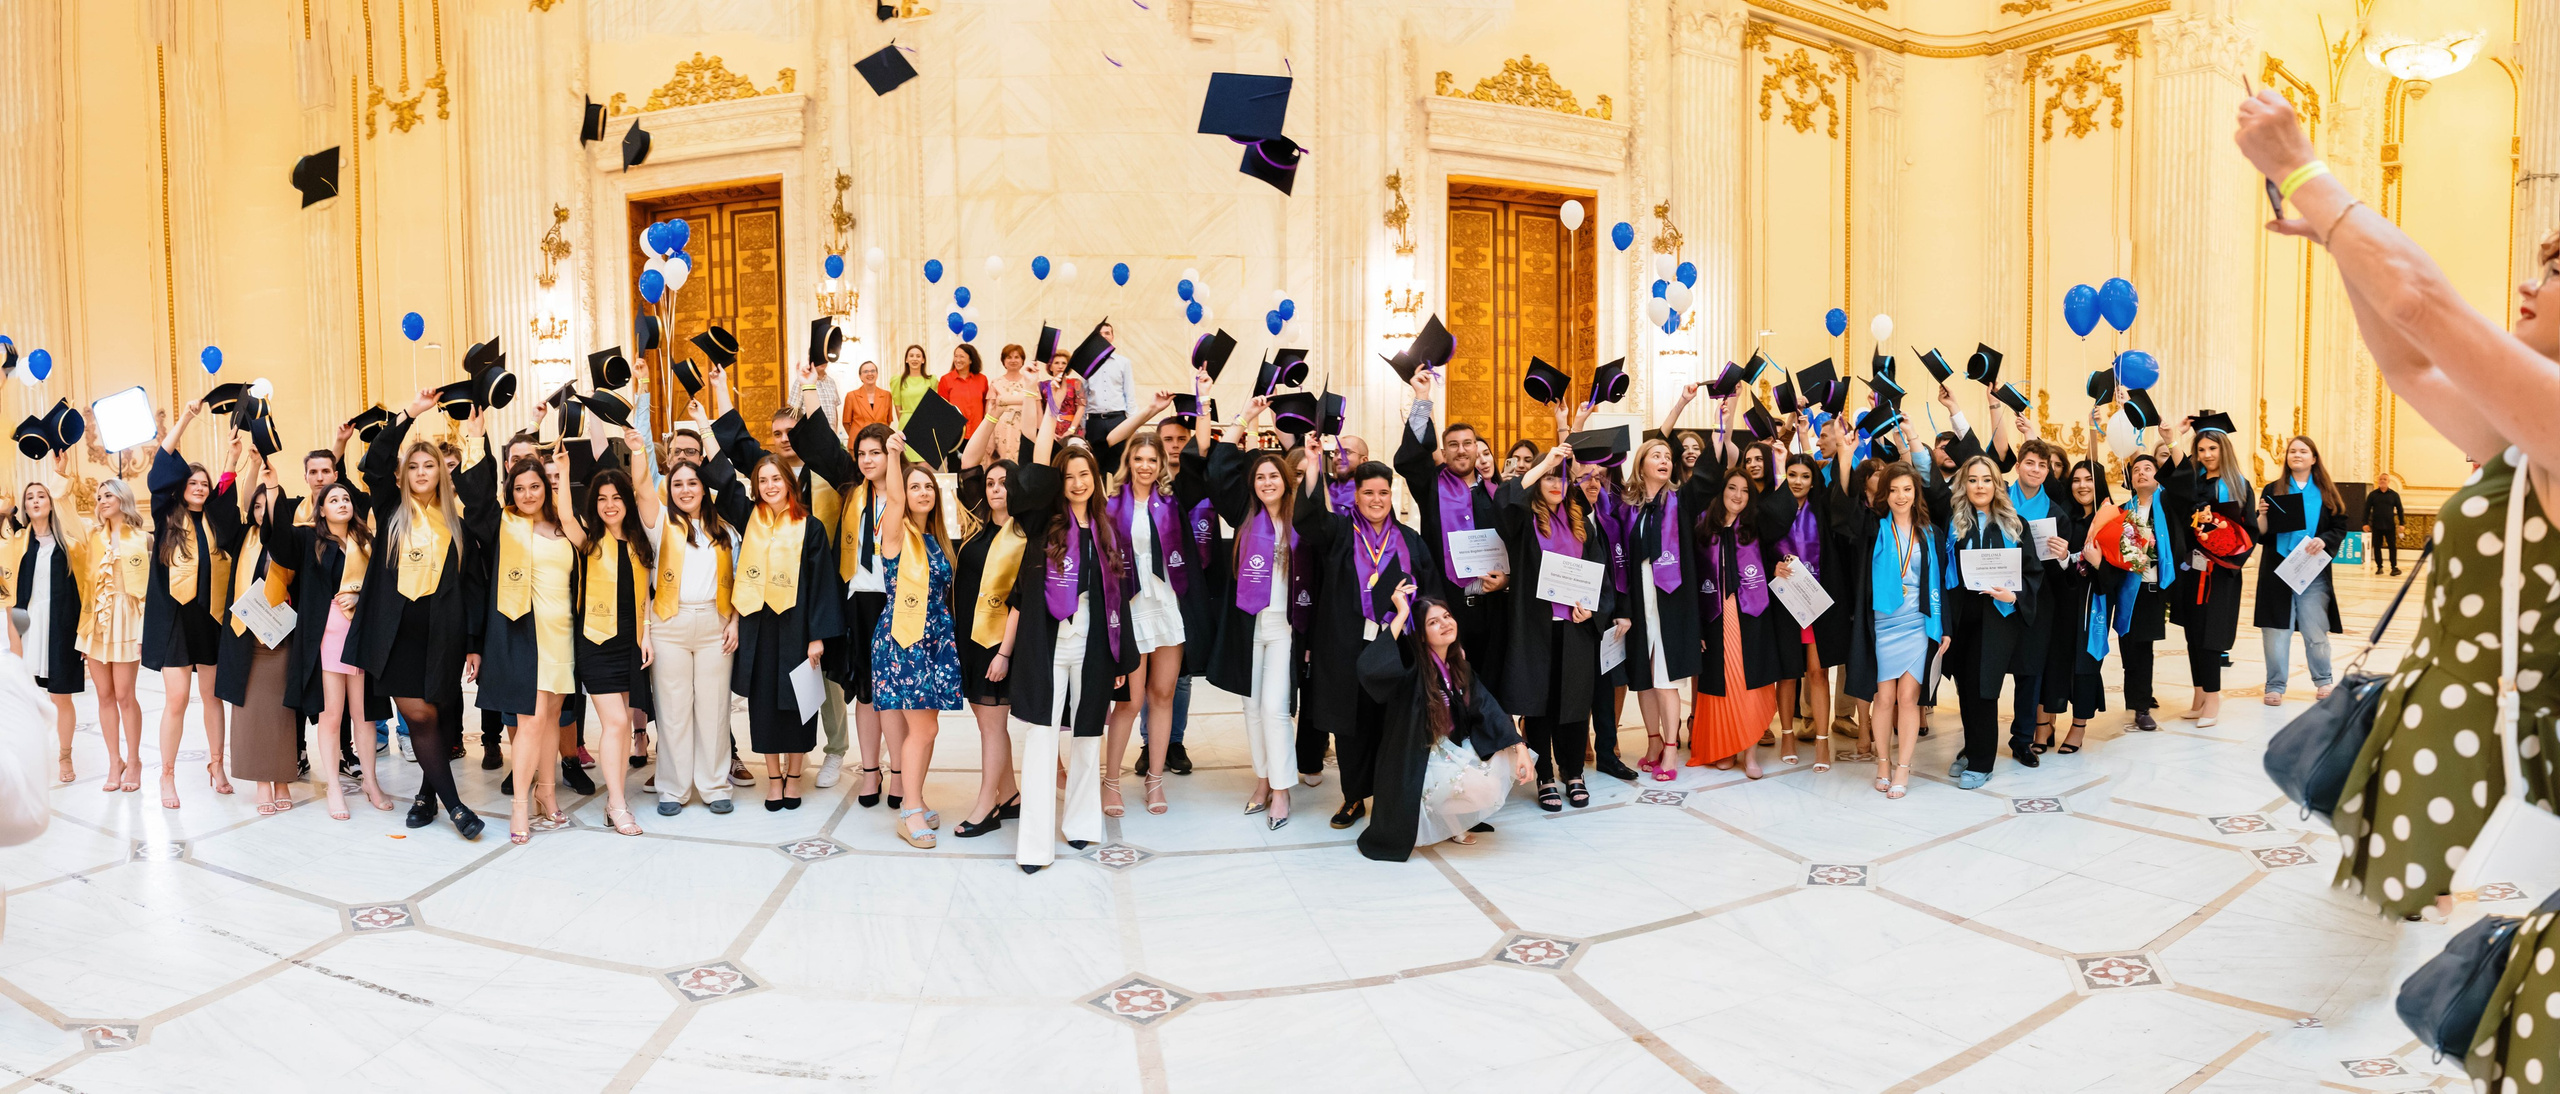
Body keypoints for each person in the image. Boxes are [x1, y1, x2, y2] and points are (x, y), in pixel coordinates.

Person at [2239, 90, 2560, 1084]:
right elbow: (2410, 362)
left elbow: (2425, 302)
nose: (2527, 282)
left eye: (2555, 271)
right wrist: (2339, 250)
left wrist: (2308, 175)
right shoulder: (2529, 437)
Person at [347, 392, 492, 840]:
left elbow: (473, 588)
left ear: (441, 474)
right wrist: (410, 414)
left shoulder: (457, 525)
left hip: (442, 636)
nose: (422, 472)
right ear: (404, 474)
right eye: (414, 466)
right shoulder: (391, 509)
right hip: (395, 638)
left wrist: (473, 643)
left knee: (442, 716)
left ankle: (427, 797)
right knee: (421, 718)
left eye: (430, 466)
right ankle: (457, 808)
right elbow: (374, 463)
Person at [1003, 397, 1136, 873]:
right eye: (1069, 476)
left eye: (1085, 474)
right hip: (1047, 644)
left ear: (1096, 478)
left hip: (1093, 645)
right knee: (1041, 738)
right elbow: (1036, 470)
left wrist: (1120, 659)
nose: (1078, 483)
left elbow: (1119, 597)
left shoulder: (1107, 527)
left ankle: (1081, 823)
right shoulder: (1043, 520)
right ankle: (1034, 845)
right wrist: (1047, 414)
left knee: (1087, 735)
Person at [1294, 427, 1437, 830]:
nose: (1376, 500)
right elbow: (1308, 519)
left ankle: (1392, 797)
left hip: (1398, 646)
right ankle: (1354, 797)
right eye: (1368, 492)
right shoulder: (1338, 532)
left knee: (1393, 723)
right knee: (1352, 725)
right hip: (1348, 645)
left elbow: (1430, 591)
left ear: (1392, 495)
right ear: (1355, 495)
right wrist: (1313, 463)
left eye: (1383, 493)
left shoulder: (1409, 540)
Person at [780, 387, 899, 805]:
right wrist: (810, 387)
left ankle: (900, 773)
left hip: (897, 600)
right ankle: (869, 772)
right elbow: (828, 448)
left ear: (891, 454)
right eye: (862, 453)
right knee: (864, 688)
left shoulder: (908, 491)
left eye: (876, 453)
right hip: (858, 599)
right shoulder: (853, 487)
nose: (867, 460)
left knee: (894, 691)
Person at [1356, 589, 1530, 862]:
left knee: (1493, 772)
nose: (1445, 623)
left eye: (1447, 616)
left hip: (1449, 748)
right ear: (1421, 635)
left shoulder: (1458, 665)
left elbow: (1486, 707)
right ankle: (1447, 819)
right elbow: (1370, 668)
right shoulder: (1411, 664)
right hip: (1417, 758)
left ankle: (1451, 821)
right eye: (1433, 622)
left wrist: (1518, 746)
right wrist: (1402, 613)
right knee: (1470, 785)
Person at [473, 435, 581, 844]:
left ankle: (547, 794)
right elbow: (477, 499)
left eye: (535, 486)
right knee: (531, 721)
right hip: (525, 636)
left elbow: (584, 550)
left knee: (552, 717)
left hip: (562, 634)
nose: (528, 494)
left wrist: (564, 474)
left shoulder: (564, 526)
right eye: (519, 488)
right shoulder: (506, 525)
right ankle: (520, 804)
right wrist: (475, 439)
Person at [1611, 383, 1719, 778]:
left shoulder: (1681, 500)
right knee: (1644, 677)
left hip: (1672, 601)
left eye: (1668, 457)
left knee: (1666, 677)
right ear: (1641, 465)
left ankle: (1671, 749)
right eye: (1655, 456)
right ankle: (1653, 740)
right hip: (1639, 600)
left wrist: (1700, 412)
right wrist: (1678, 404)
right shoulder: (1628, 507)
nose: (1664, 460)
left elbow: (1707, 473)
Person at [1205, 401, 1305, 827]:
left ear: (1286, 481)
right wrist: (1242, 418)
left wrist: (1292, 436)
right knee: (1251, 708)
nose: (1267, 482)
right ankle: (1263, 780)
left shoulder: (1302, 518)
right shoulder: (1244, 514)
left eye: (1274, 476)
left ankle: (1281, 790)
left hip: (1284, 628)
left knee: (1275, 709)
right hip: (1248, 626)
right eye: (1260, 477)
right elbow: (1217, 470)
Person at [1497, 439, 1610, 809]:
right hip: (1537, 628)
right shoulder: (1524, 522)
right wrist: (1545, 463)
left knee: (1574, 705)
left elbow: (1600, 576)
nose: (1556, 484)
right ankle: (1545, 776)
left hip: (1574, 628)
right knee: (1539, 706)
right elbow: (1505, 500)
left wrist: (1592, 610)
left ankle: (1573, 772)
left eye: (1561, 478)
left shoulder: (1581, 525)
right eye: (1549, 477)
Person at [1394, 372, 1509, 706]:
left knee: (1492, 686)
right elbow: (1410, 459)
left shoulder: (1498, 495)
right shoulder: (1431, 485)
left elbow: (1517, 547)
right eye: (1454, 445)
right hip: (1448, 603)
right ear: (1443, 452)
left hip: (1492, 605)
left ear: (1477, 449)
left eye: (1468, 444)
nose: (1461, 450)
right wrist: (1422, 399)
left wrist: (1507, 580)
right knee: (1451, 687)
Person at [144, 400, 237, 808]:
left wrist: (232, 458)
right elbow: (161, 464)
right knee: (177, 699)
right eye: (192, 482)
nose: (199, 487)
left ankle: (216, 765)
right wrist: (185, 419)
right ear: (181, 487)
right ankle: (166, 775)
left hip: (210, 619)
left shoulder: (215, 520)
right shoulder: (166, 515)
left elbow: (230, 497)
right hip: (174, 621)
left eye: (204, 483)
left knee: (214, 697)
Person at [568, 437, 662, 837]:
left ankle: (615, 797)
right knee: (617, 721)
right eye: (602, 498)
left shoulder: (640, 541)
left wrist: (647, 635)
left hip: (630, 642)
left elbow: (646, 597)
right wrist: (563, 473)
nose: (609, 505)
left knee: (621, 726)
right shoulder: (588, 540)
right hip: (596, 642)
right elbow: (565, 517)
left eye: (616, 497)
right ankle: (617, 804)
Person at [1839, 458, 1948, 800]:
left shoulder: (1931, 533)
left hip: (1918, 622)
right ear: (1884, 494)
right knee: (1883, 698)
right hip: (1883, 624)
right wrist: (1844, 456)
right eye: (1894, 490)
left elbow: (1943, 584)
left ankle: (1904, 767)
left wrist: (1945, 627)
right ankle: (1883, 763)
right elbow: (1845, 511)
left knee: (1908, 699)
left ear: (1916, 493)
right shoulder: (1873, 529)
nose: (1901, 496)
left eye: (1907, 489)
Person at [871, 451, 963, 849]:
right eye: (914, 487)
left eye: (929, 486)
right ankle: (909, 810)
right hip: (904, 639)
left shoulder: (937, 539)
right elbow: (892, 498)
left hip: (935, 639)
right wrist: (894, 456)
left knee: (927, 729)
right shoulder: (895, 532)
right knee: (924, 729)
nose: (923, 492)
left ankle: (916, 799)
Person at [648, 453, 745, 816]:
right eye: (677, 484)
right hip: (669, 622)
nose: (685, 490)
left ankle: (715, 785)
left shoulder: (726, 532)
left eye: (692, 483)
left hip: (714, 623)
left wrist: (734, 622)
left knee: (714, 708)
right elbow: (641, 485)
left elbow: (740, 581)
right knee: (672, 709)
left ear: (705, 489)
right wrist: (638, 443)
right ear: (668, 490)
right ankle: (673, 788)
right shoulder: (659, 524)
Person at [1940, 455, 2042, 789]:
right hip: (1962, 615)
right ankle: (1972, 749)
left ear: (1997, 484)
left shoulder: (2015, 524)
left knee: (1985, 689)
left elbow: (2033, 572)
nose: (1980, 486)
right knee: (1966, 688)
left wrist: (2014, 596)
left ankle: (1983, 763)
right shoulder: (1955, 522)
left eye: (1986, 479)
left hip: (1998, 617)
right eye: (1972, 480)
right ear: (1964, 485)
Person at [949, 408, 1027, 838]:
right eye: (992, 483)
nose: (996, 488)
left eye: (1004, 483)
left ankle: (986, 807)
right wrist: (992, 415)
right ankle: (1010, 794)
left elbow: (1021, 599)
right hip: (970, 638)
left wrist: (1005, 653)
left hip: (1000, 643)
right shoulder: (977, 523)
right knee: (988, 722)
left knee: (992, 725)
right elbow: (968, 462)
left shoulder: (1025, 532)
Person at [1102, 430, 1188, 817]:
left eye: (1152, 460)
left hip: (1165, 604)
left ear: (1161, 465)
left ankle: (1155, 780)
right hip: (1131, 606)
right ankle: (1111, 782)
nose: (1145, 466)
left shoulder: (1170, 502)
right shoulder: (1111, 505)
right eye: (1139, 459)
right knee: (1130, 701)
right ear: (1129, 462)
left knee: (1163, 695)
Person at [1685, 465, 1787, 778]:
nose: (1738, 495)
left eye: (1745, 490)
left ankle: (1750, 752)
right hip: (1715, 614)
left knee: (1749, 682)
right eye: (1732, 488)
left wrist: (1780, 467)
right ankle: (1725, 746)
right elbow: (1693, 577)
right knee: (1721, 683)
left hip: (1751, 613)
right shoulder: (1703, 526)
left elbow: (1782, 525)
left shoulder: (1755, 525)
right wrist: (1695, 626)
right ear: (1721, 490)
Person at [2159, 417, 2252, 728]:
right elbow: (2176, 486)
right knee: (2193, 634)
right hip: (2192, 568)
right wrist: (2173, 440)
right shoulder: (2195, 481)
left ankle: (2213, 697)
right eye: (2201, 450)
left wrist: (2224, 551)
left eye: (2213, 448)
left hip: (2220, 575)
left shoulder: (2238, 485)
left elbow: (2248, 531)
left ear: (2224, 449)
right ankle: (2199, 695)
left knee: (2210, 636)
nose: (2207, 454)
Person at [2253, 435, 2346, 704]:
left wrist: (2324, 540)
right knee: (2275, 631)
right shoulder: (2273, 489)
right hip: (2277, 568)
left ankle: (2324, 680)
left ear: (2314, 458)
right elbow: (2261, 533)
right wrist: (2262, 515)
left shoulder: (2327, 492)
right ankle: (2275, 685)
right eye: (2292, 451)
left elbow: (2339, 527)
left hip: (2312, 570)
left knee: (2315, 630)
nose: (2297, 455)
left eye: (2303, 451)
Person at [6, 469, 84, 787]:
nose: (36, 501)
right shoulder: (17, 543)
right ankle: (29, 756)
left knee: (60, 695)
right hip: (26, 627)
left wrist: (60, 474)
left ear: (51, 503)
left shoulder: (70, 543)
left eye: (41, 496)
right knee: (25, 696)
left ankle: (65, 755)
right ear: (24, 507)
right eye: (30, 497)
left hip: (61, 625)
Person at [1767, 441, 1841, 771]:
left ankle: (1822, 742)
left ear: (1813, 481)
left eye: (1805, 476)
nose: (1798, 481)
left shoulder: (1822, 509)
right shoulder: (1772, 509)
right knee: (1787, 673)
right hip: (1784, 599)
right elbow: (1759, 546)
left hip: (1816, 601)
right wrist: (1771, 565)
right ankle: (1787, 735)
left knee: (1818, 672)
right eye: (1792, 475)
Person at [1083, 320, 1138, 469]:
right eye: (1100, 334)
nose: (1104, 336)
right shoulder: (1087, 364)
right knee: (1095, 466)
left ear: (1112, 337)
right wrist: (1082, 427)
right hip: (1095, 422)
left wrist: (1134, 423)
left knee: (1121, 466)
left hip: (1118, 420)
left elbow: (1129, 394)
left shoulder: (1124, 363)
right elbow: (1084, 397)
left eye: (1107, 333)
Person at [936, 343, 989, 437]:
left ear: (971, 360)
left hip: (977, 433)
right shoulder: (946, 379)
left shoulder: (982, 379)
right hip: (954, 433)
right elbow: (942, 410)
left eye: (961, 357)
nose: (957, 360)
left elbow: (986, 407)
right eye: (955, 356)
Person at [2360, 471, 2403, 575]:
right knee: (2377, 547)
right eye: (2380, 479)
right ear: (2378, 481)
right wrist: (2365, 523)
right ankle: (2379, 567)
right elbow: (2366, 510)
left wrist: (2402, 523)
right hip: (2376, 525)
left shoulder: (2394, 495)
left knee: (2392, 547)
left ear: (2388, 482)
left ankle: (2394, 567)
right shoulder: (2372, 495)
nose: (2382, 481)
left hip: (2390, 525)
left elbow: (2400, 509)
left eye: (2385, 479)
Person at [841, 360, 897, 435]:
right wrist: (856, 437)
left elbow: (888, 421)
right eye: (866, 371)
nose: (870, 374)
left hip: (881, 438)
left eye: (873, 371)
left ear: (877, 374)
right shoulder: (851, 396)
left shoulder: (887, 395)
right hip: (859, 439)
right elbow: (846, 423)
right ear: (860, 376)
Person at [890, 343, 936, 427]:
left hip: (926, 421)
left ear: (923, 360)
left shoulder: (931, 380)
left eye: (918, 356)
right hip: (906, 422)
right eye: (911, 356)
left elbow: (934, 405)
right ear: (906, 360)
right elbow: (898, 406)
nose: (915, 359)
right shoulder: (898, 380)